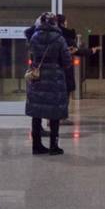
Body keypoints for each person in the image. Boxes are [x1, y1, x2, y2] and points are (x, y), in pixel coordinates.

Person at [25, 12, 72, 156]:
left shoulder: (34, 37)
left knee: (37, 114)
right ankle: (53, 146)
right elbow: (67, 61)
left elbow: (31, 55)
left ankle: (36, 146)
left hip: (37, 78)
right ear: (54, 23)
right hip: (54, 80)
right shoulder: (59, 38)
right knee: (54, 114)